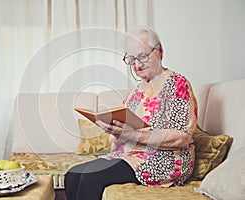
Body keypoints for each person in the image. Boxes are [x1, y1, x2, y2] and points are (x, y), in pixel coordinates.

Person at [64, 27, 198, 200]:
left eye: (142, 56)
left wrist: (133, 135)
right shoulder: (133, 93)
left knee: (90, 177)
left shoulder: (177, 84)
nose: (137, 64)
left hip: (165, 159)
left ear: (160, 51)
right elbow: (117, 144)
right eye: (131, 59)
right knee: (72, 175)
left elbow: (182, 138)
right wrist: (115, 133)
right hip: (129, 155)